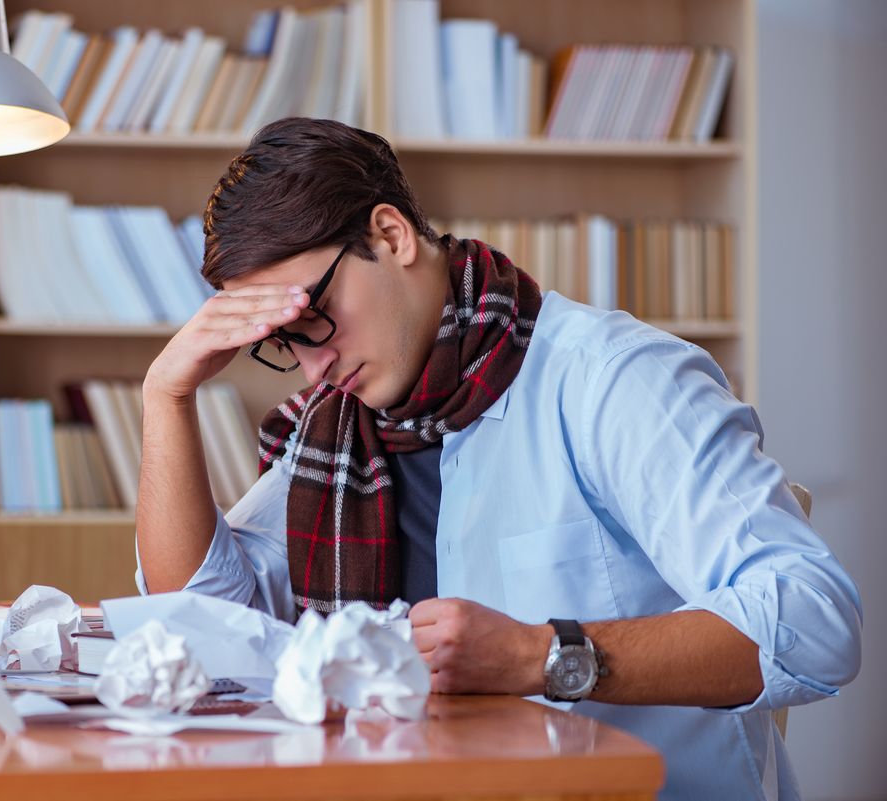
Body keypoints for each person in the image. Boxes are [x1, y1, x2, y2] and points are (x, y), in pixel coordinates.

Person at [134, 117, 861, 800]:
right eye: (281, 341)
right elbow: (206, 625)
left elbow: (815, 620)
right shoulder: (336, 431)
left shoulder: (613, 379)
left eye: (311, 318)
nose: (310, 366)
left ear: (389, 235)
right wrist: (165, 396)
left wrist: (538, 655)